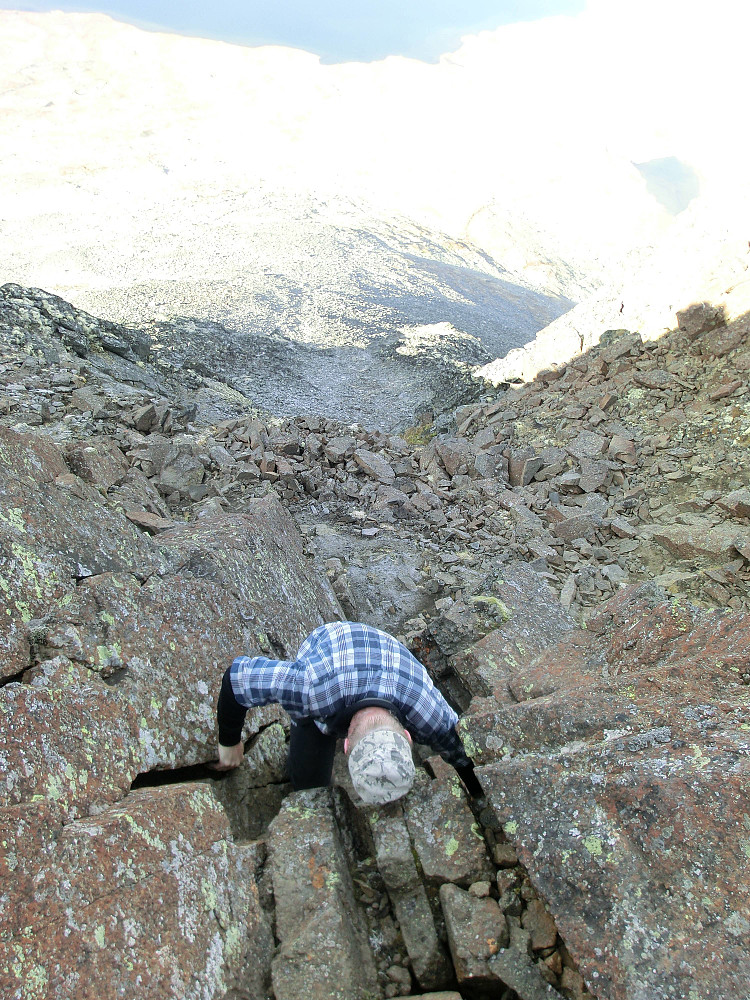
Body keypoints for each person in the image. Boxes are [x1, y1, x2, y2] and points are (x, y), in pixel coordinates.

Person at [214, 620, 482, 805]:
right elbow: (236, 679)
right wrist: (229, 741)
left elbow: (460, 752)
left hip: (391, 660)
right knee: (309, 785)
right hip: (332, 642)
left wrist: (480, 793)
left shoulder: (427, 709)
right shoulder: (309, 688)